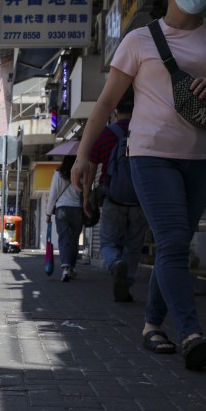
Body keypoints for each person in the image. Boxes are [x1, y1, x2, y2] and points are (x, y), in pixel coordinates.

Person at [72, 0, 206, 370]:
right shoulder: (139, 40)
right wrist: (84, 157)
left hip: (205, 156)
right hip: (152, 155)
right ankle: (190, 332)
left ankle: (152, 325)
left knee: (173, 246)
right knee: (173, 241)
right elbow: (105, 103)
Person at [83, 88, 148, 303]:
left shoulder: (106, 134)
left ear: (116, 111)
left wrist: (86, 198)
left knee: (109, 243)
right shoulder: (145, 131)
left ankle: (114, 263)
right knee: (134, 246)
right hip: (140, 199)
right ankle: (126, 285)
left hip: (113, 198)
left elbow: (91, 169)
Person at [46, 154, 84, 282]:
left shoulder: (58, 174)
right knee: (73, 240)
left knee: (64, 238)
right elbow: (85, 191)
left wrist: (48, 213)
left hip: (62, 209)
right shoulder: (81, 173)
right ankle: (72, 267)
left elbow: (53, 194)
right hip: (77, 209)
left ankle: (65, 268)